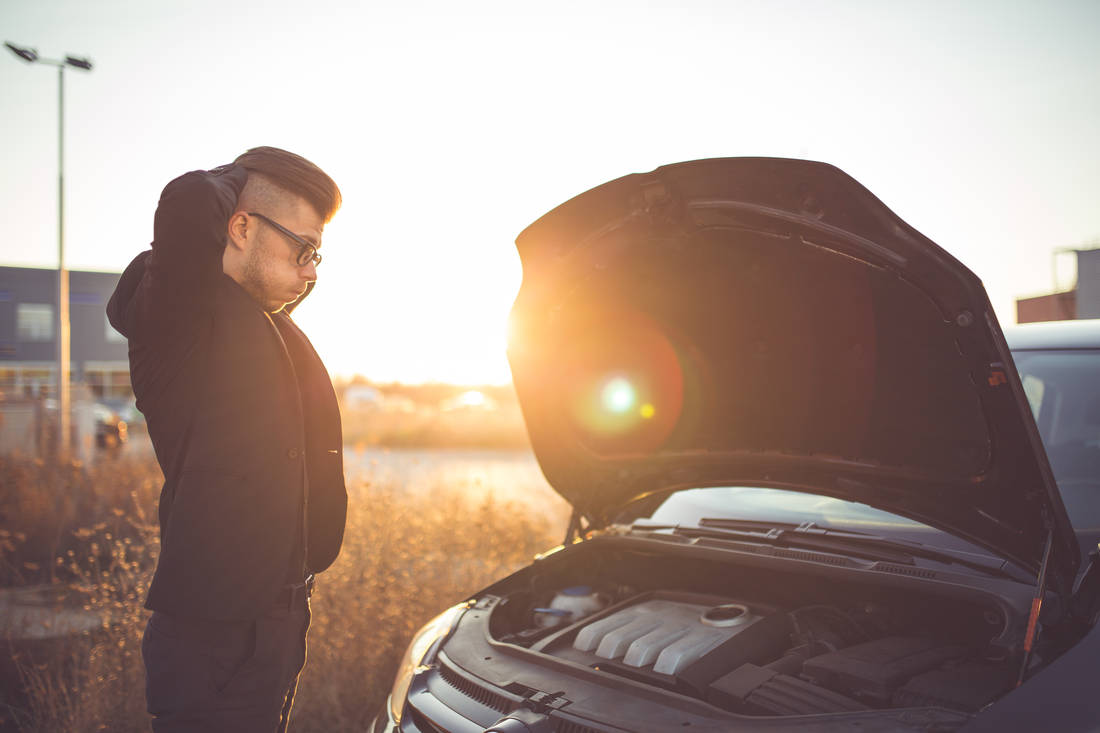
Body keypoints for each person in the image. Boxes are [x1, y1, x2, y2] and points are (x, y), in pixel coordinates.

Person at [106, 146, 348, 732]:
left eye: (319, 255)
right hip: (215, 637)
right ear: (239, 227)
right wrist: (241, 177)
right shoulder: (177, 317)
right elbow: (188, 203)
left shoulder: (265, 322)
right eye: (304, 248)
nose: (312, 270)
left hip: (276, 623)